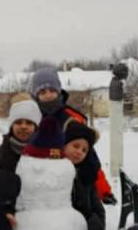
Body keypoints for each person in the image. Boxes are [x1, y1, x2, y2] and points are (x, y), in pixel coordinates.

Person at [28, 67, 115, 204]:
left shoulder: (71, 119)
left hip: (72, 186)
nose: (48, 95)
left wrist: (103, 191)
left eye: (52, 90)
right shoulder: (29, 119)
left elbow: (90, 159)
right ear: (35, 95)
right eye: (43, 92)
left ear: (59, 91)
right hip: (38, 187)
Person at [0, 94, 41, 173]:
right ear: (11, 126)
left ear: (36, 127)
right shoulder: (3, 153)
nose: (23, 127)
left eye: (29, 123)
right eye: (18, 122)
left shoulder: (44, 151)